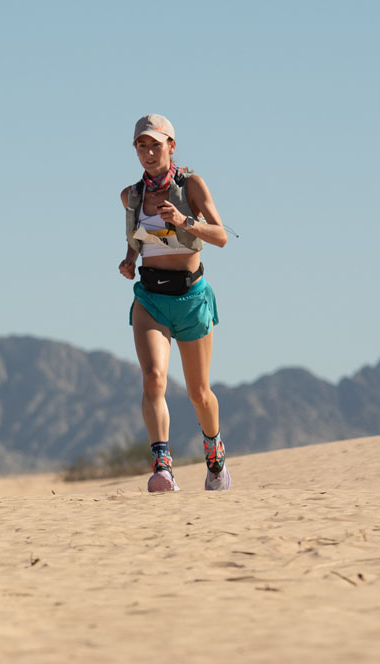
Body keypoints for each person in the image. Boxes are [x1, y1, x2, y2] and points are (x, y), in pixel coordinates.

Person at [118, 114, 231, 492]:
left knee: (199, 393)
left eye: (155, 145)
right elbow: (140, 237)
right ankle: (162, 465)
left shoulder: (192, 186)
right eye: (141, 146)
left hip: (191, 298)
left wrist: (185, 221)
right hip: (150, 298)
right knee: (153, 380)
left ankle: (214, 452)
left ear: (171, 146)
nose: (149, 153)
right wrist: (130, 260)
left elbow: (221, 236)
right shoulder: (131, 196)